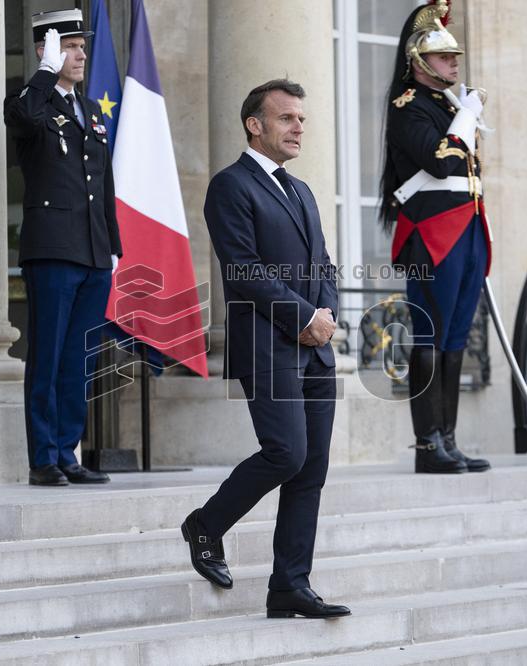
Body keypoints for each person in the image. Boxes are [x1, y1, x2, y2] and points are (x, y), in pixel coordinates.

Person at [182, 79, 349, 619]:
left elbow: (323, 264)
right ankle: (206, 523)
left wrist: (324, 317)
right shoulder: (230, 186)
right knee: (287, 452)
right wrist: (302, 317)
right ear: (255, 124)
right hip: (266, 344)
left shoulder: (301, 191)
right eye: (287, 118)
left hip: (315, 349)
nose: (299, 127)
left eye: (301, 118)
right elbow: (243, 270)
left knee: (312, 469)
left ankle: (289, 586)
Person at [4, 9, 122, 486]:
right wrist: (44, 74)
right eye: (69, 46)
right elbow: (20, 118)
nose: (80, 54)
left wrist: (113, 245)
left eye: (80, 46)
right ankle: (43, 459)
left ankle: (69, 452)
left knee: (80, 358)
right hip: (52, 250)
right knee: (48, 356)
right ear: (45, 50)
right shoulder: (32, 101)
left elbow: (103, 182)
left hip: (93, 252)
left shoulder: (91, 111)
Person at [378, 1, 491, 475]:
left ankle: (448, 439)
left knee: (456, 338)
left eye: (454, 57)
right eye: (445, 58)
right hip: (430, 235)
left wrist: (461, 113)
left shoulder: (448, 105)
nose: (454, 63)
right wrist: (466, 118)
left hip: (466, 229)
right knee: (430, 336)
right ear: (419, 63)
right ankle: (427, 446)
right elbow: (441, 162)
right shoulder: (409, 107)